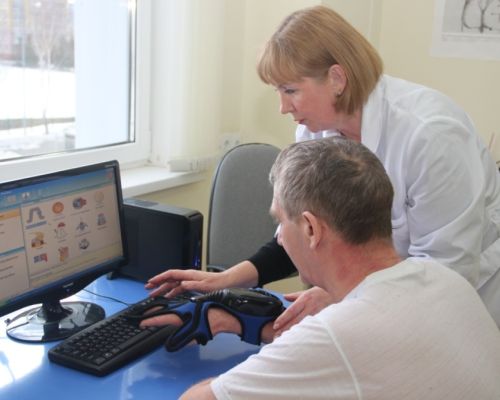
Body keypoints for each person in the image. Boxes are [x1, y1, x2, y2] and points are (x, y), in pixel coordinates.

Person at [146, 5, 500, 331]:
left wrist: (345, 296)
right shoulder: (315, 132)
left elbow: (446, 274)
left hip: (467, 303)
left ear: (337, 79)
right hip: (385, 298)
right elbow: (305, 232)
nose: (283, 107)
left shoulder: (431, 136)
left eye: (290, 90)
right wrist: (229, 279)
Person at [142, 137, 500, 399]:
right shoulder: (445, 280)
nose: (279, 238)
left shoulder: (339, 334)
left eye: (280, 221)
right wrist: (239, 321)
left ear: (312, 229)